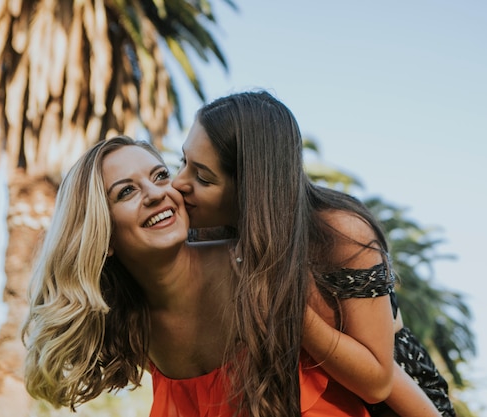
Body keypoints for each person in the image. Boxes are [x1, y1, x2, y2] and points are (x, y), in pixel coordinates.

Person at [21, 135, 379, 417]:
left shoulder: (258, 269)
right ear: (103, 237)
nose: (155, 194)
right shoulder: (129, 324)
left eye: (160, 175)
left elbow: (382, 380)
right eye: (126, 191)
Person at [172, 90, 456, 417]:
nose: (180, 183)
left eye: (203, 177)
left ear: (252, 187)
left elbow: (379, 382)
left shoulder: (339, 235)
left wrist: (291, 309)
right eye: (184, 162)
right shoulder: (202, 234)